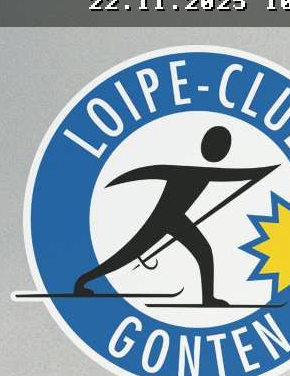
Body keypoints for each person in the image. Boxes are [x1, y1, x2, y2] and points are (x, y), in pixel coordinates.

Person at [71, 125, 273, 306]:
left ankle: (208, 298)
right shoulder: (194, 171)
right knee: (126, 255)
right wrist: (261, 171)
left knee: (203, 252)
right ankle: (81, 282)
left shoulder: (199, 171)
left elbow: (232, 175)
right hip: (163, 219)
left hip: (177, 220)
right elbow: (232, 175)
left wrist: (261, 172)